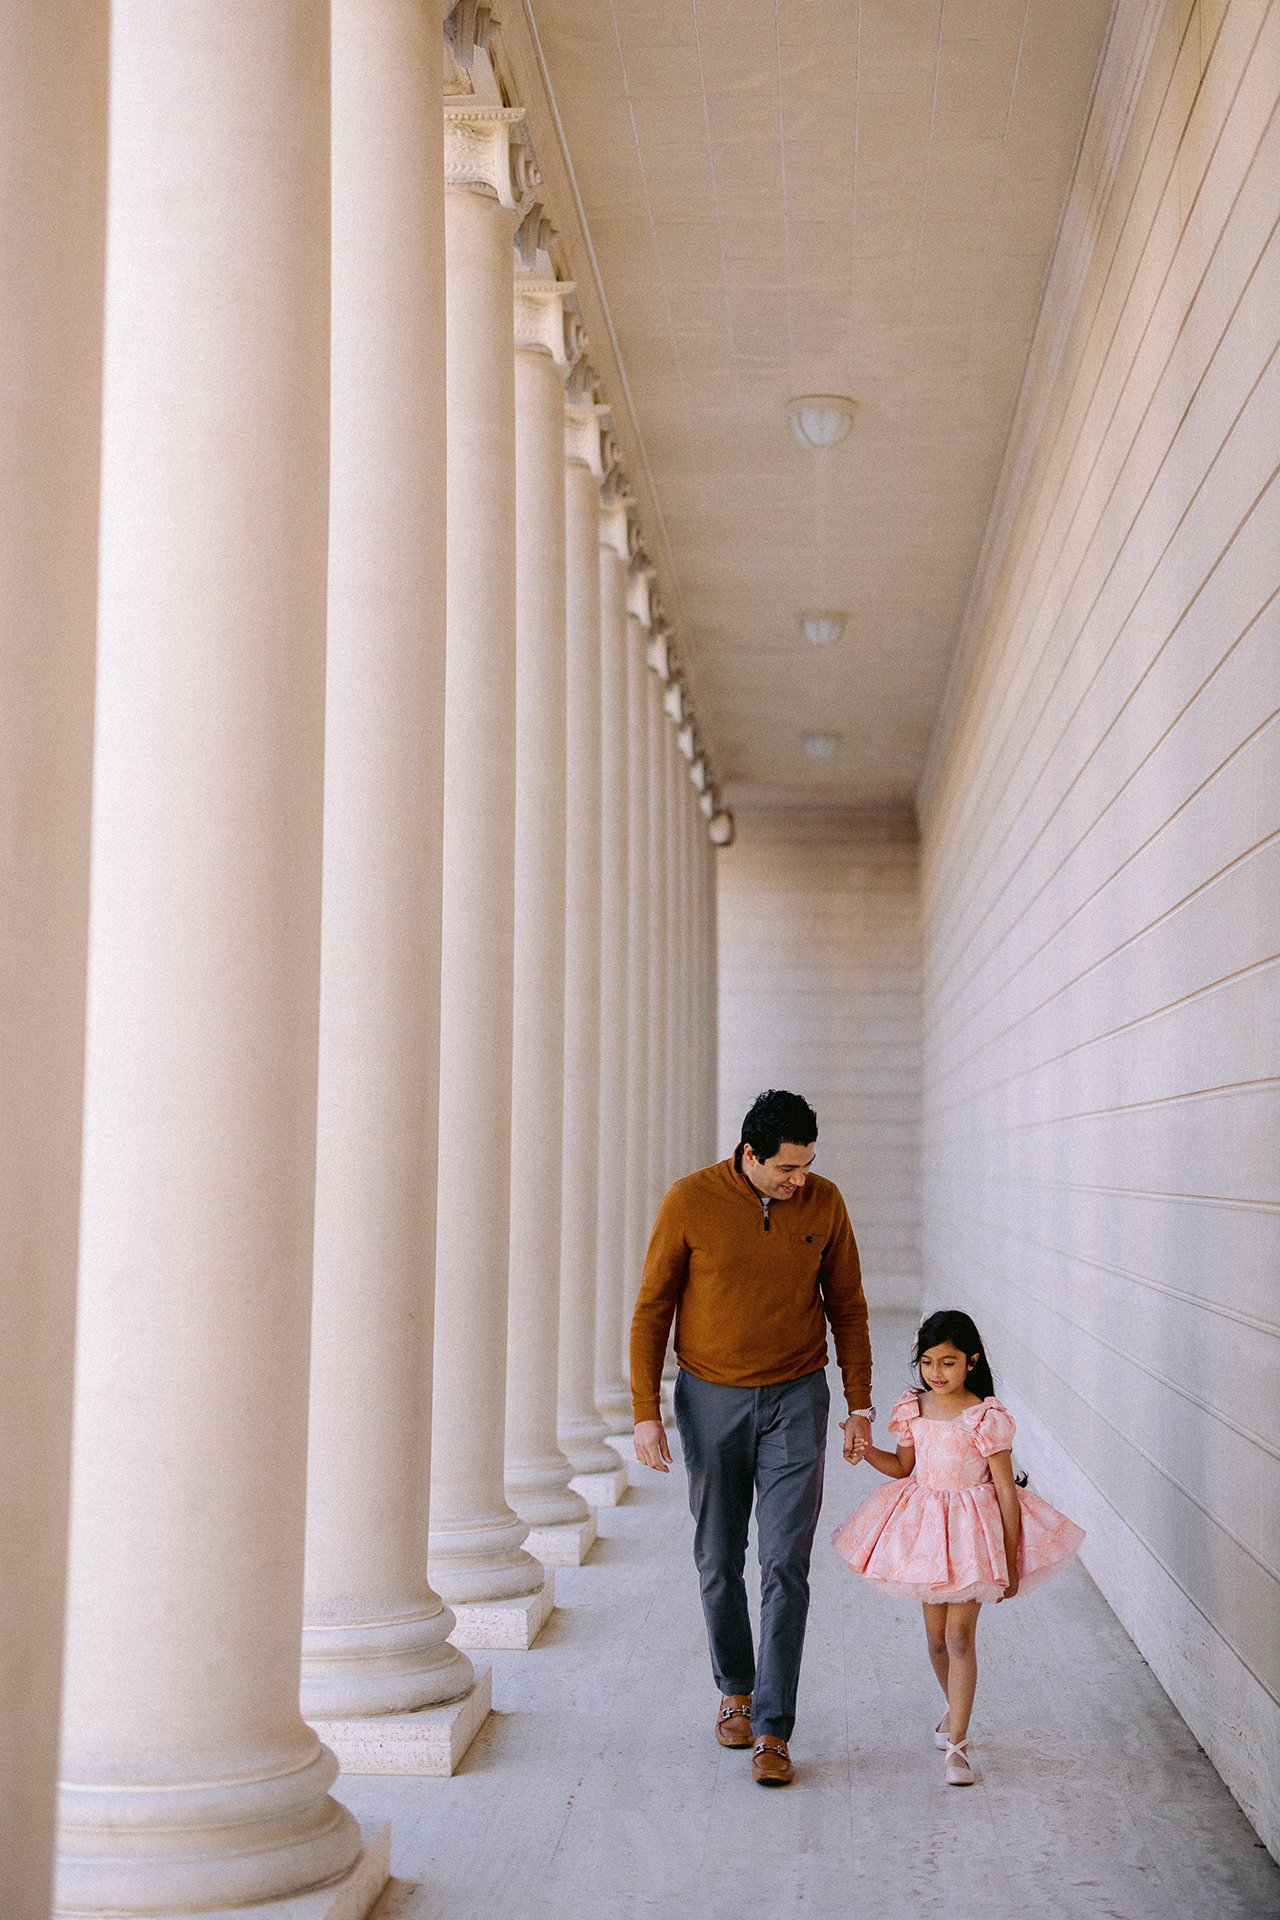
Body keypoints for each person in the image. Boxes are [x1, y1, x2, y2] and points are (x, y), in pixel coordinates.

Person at [630, 1089, 872, 1786]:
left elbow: (849, 1306)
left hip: (798, 1395)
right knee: (717, 1555)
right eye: (787, 1169)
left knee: (785, 1563)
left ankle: (773, 1727)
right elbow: (652, 1311)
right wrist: (646, 1409)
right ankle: (734, 1688)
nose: (800, 1180)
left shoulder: (825, 1204)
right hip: (709, 1399)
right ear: (749, 1155)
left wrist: (859, 1404)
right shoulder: (689, 1201)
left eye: (807, 1166)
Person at [831, 1308, 1085, 1784]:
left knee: (959, 1638)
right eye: (927, 1362)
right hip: (927, 1531)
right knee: (934, 1638)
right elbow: (904, 1467)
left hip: (971, 1535)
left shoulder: (985, 1417)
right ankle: (953, 1708)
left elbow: (1006, 1491)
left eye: (947, 1362)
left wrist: (1008, 1561)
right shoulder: (913, 1407)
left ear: (971, 1361)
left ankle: (958, 1746)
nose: (936, 1373)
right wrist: (866, 1453)